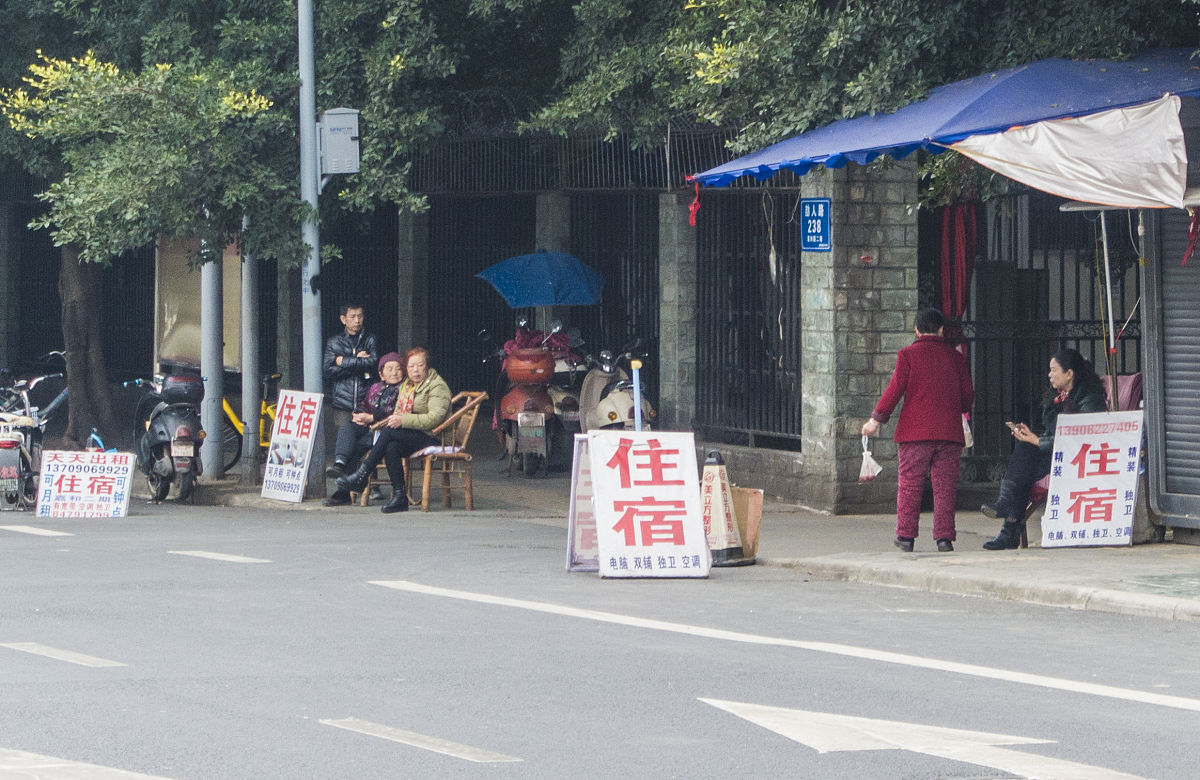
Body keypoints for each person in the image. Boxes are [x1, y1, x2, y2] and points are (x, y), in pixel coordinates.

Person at [861, 308, 975, 553]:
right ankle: (944, 539)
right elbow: (967, 397)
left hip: (914, 434)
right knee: (944, 486)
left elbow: (894, 391)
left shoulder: (908, 355)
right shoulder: (956, 358)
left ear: (916, 329)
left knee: (910, 485)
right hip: (948, 433)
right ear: (941, 329)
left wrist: (875, 420)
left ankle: (905, 536)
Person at [980, 347, 1106, 550]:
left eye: (1053, 370)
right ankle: (1006, 514)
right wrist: (1032, 437)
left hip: (1078, 455)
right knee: (1024, 452)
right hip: (1056, 450)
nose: (1049, 375)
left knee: (1026, 460)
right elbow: (1054, 432)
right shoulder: (1056, 397)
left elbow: (1079, 435)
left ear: (1069, 373)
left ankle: (1008, 527)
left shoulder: (1089, 396)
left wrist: (1038, 441)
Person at [337, 347, 452, 513]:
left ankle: (363, 474)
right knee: (392, 447)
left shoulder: (437, 386)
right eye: (411, 367)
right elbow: (398, 411)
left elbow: (434, 419)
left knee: (390, 432)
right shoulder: (408, 385)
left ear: (427, 366)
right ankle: (400, 497)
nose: (416, 370)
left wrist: (402, 420)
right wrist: (397, 418)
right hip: (415, 433)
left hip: (434, 435)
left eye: (420, 365)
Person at [323, 352, 406, 507]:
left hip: (386, 431)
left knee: (356, 448)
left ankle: (343, 493)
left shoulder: (404, 389)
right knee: (347, 427)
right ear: (381, 374)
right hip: (369, 428)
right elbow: (364, 404)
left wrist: (372, 417)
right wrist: (358, 414)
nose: (394, 372)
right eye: (389, 369)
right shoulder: (375, 387)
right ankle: (339, 464)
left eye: (398, 368)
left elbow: (394, 411)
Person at [323, 302, 378, 472]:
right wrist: (357, 360)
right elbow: (329, 371)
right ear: (343, 319)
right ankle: (345, 483)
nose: (357, 320)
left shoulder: (370, 339)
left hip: (365, 401)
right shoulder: (334, 342)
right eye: (352, 317)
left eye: (360, 316)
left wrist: (342, 361)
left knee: (368, 442)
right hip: (342, 402)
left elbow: (373, 363)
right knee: (345, 440)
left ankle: (372, 485)